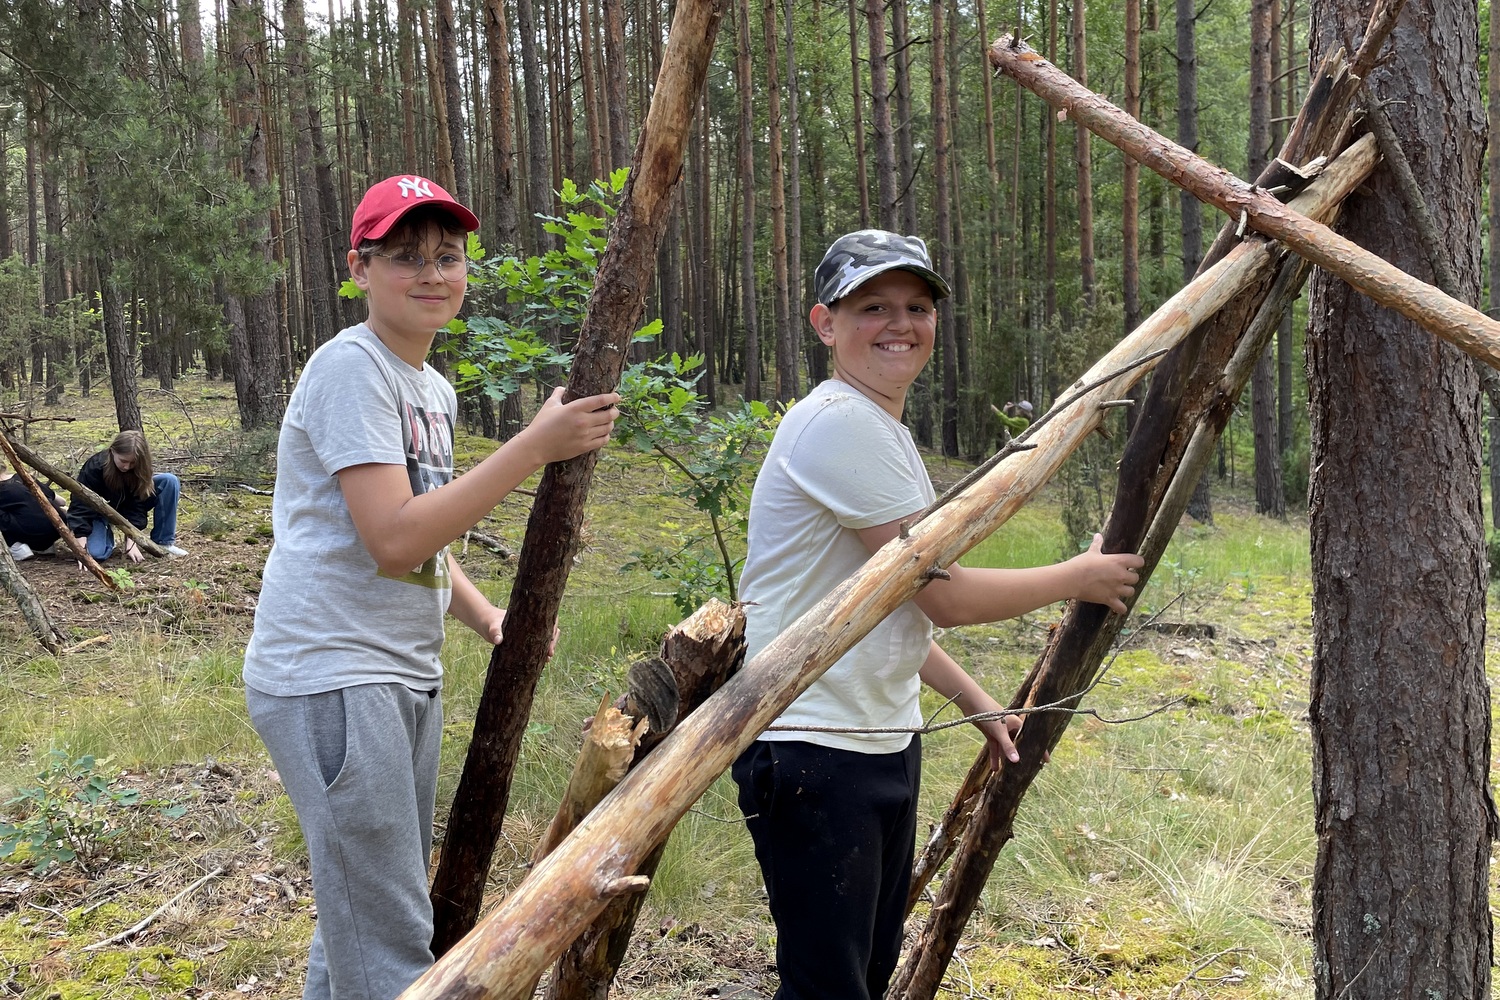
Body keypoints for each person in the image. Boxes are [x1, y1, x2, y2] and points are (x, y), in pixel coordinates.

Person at [732, 230, 1145, 1000]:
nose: (901, 324)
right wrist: (1076, 577)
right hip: (814, 749)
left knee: (861, 970)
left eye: (917, 306)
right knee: (829, 986)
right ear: (825, 322)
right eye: (873, 307)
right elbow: (942, 594)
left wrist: (970, 696)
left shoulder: (877, 425)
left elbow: (867, 600)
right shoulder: (840, 425)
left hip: (871, 739)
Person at [240, 174, 620, 1000]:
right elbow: (394, 537)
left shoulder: (430, 388)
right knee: (388, 937)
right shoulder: (352, 368)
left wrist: (488, 617)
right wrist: (533, 446)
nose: (432, 273)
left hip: (398, 671)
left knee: (365, 913)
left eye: (448, 256)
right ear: (360, 267)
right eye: (405, 256)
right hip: (331, 673)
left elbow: (425, 537)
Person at [65, 430, 188, 561]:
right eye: (123, 461)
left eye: (132, 463)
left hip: (127, 508)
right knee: (96, 554)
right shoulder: (95, 467)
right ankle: (105, 534)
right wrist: (81, 548)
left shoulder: (139, 468)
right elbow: (80, 504)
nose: (127, 467)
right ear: (112, 451)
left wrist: (132, 539)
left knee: (169, 481)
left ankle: (164, 542)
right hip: (99, 512)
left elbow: (136, 505)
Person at [0, 469, 69, 561]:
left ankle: (16, 547)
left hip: (32, 533)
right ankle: (47, 547)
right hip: (57, 528)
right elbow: (62, 501)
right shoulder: (22, 476)